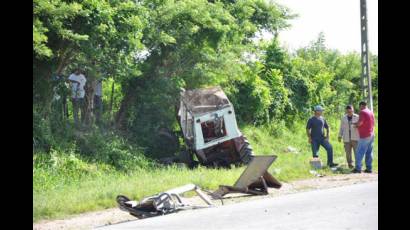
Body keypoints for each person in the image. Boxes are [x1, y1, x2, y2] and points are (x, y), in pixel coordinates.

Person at [352, 101, 375, 173]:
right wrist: (356, 123)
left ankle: (358, 168)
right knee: (369, 152)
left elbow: (361, 123)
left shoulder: (362, 112)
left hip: (364, 135)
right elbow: (368, 122)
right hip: (371, 134)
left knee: (359, 152)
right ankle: (369, 168)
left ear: (361, 106)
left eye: (359, 107)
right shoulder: (370, 112)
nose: (359, 108)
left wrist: (355, 125)